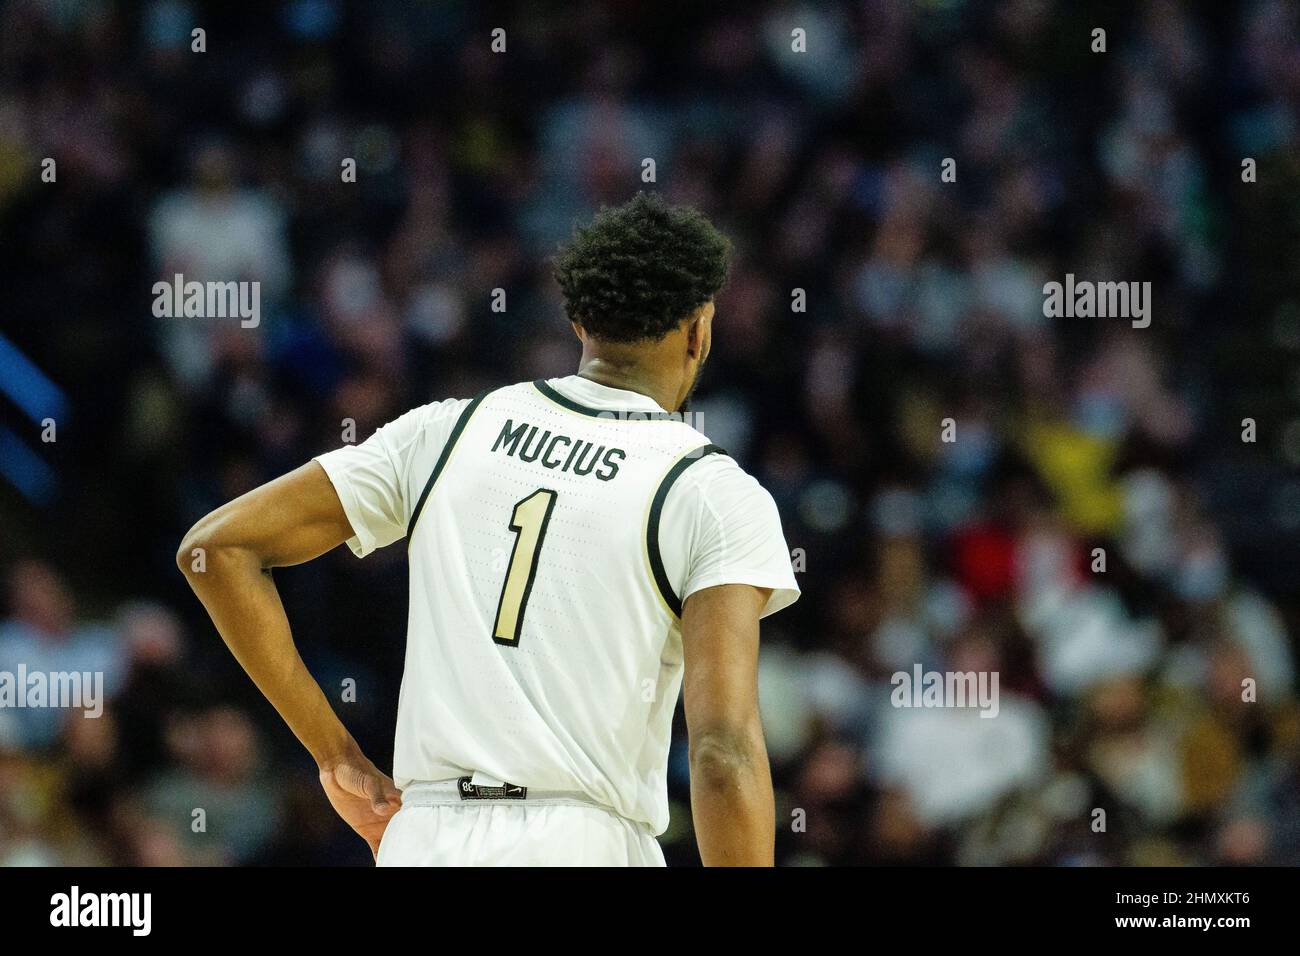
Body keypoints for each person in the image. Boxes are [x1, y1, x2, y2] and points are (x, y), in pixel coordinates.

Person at [178, 192, 799, 866]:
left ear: (576, 319)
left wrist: (337, 757)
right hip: (580, 843)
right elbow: (722, 748)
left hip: (426, 838)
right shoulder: (710, 492)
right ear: (700, 330)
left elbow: (215, 548)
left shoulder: (447, 429)